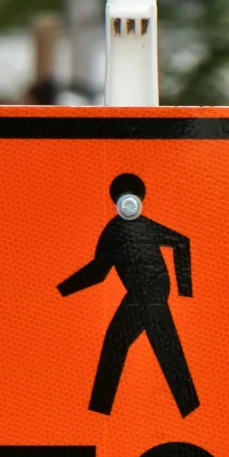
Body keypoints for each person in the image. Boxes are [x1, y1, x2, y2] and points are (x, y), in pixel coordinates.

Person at [58, 172, 198, 416]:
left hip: (150, 291)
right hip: (144, 292)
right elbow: (99, 271)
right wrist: (63, 290)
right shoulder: (114, 232)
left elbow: (181, 242)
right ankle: (188, 408)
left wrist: (184, 288)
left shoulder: (135, 228)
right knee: (152, 344)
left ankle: (100, 410)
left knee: (131, 343)